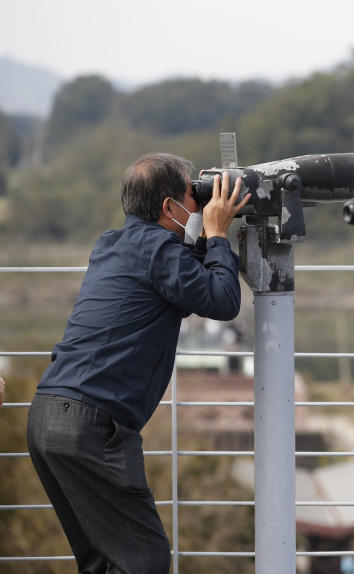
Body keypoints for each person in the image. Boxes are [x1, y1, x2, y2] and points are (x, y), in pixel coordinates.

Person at [26, 153, 250, 574]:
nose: (197, 203)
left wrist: (203, 232)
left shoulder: (112, 244)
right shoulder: (159, 254)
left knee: (102, 563)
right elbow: (223, 300)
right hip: (91, 428)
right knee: (143, 561)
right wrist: (218, 234)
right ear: (169, 207)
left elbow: (186, 288)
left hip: (46, 420)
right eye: (192, 193)